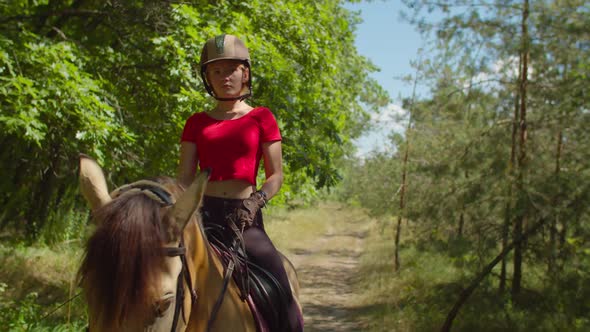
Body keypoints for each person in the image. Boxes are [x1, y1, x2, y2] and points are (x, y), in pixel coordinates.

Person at [177, 34, 302, 332]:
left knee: (279, 281)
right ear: (207, 77)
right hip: (201, 216)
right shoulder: (196, 122)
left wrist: (256, 201)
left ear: (245, 72)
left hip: (244, 218)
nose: (224, 77)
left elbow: (276, 176)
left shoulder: (262, 117)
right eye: (215, 71)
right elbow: (184, 178)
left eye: (231, 69)